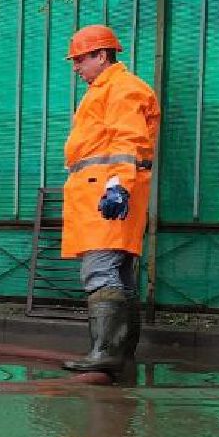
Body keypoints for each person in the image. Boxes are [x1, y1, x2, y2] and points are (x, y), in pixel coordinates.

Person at [58, 24, 158, 376]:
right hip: (104, 193)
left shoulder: (120, 88)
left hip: (107, 196)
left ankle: (105, 352)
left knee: (100, 270)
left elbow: (127, 140)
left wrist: (118, 183)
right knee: (120, 275)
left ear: (102, 55)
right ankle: (120, 354)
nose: (76, 67)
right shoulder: (109, 89)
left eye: (80, 59)